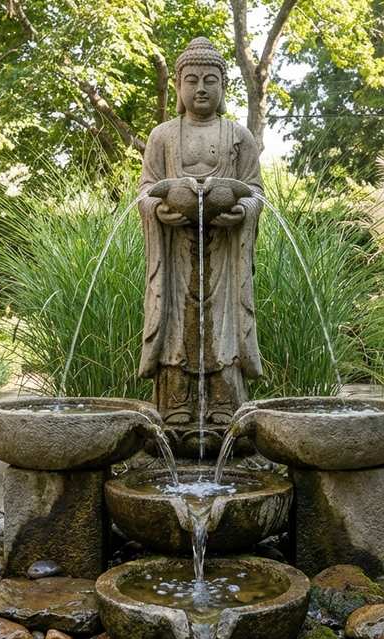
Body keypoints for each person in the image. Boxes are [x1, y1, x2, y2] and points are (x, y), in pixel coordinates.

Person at [137, 37, 264, 456]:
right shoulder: (163, 136)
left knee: (224, 323)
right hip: (175, 251)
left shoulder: (239, 136)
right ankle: (174, 409)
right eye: (191, 80)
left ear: (224, 86)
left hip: (224, 251)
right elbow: (145, 191)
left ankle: (226, 407)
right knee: (176, 323)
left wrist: (244, 210)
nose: (201, 89)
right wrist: (156, 211)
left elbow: (256, 191)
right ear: (178, 87)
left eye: (210, 80)